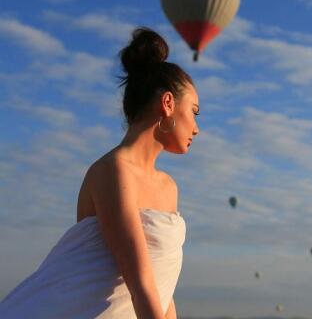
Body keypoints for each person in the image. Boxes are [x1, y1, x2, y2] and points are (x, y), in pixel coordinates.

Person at [0, 27, 199, 318]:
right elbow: (138, 282)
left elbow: (161, 288)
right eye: (194, 111)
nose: (196, 127)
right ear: (168, 103)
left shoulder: (169, 187)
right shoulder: (112, 171)